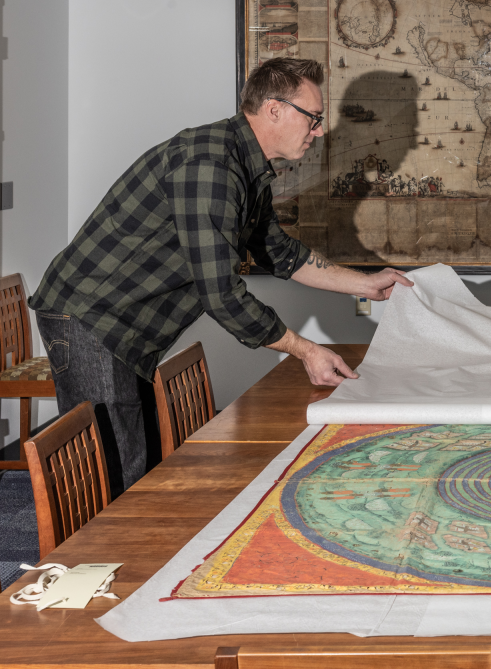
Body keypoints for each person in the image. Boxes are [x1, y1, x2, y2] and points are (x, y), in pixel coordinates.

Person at [28, 58, 412, 495]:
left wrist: (365, 283)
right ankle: (90, 562)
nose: (319, 130)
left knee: (138, 465)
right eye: (314, 118)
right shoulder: (210, 165)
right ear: (274, 109)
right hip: (91, 316)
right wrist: (305, 351)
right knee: (114, 473)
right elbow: (222, 294)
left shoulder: (247, 166)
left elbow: (280, 253)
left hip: (122, 321)